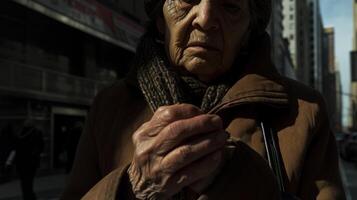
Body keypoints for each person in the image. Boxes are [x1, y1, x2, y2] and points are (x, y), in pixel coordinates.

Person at [62, 0, 346, 199]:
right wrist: (132, 186)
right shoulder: (110, 106)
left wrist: (261, 191)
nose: (206, 17)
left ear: (249, 30)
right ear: (160, 19)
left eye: (230, 6)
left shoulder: (303, 110)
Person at [15, 119, 44, 200]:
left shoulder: (20, 132)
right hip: (31, 162)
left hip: (21, 162)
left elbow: (16, 147)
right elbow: (41, 146)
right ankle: (30, 196)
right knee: (29, 181)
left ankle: (27, 196)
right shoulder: (37, 133)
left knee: (24, 182)